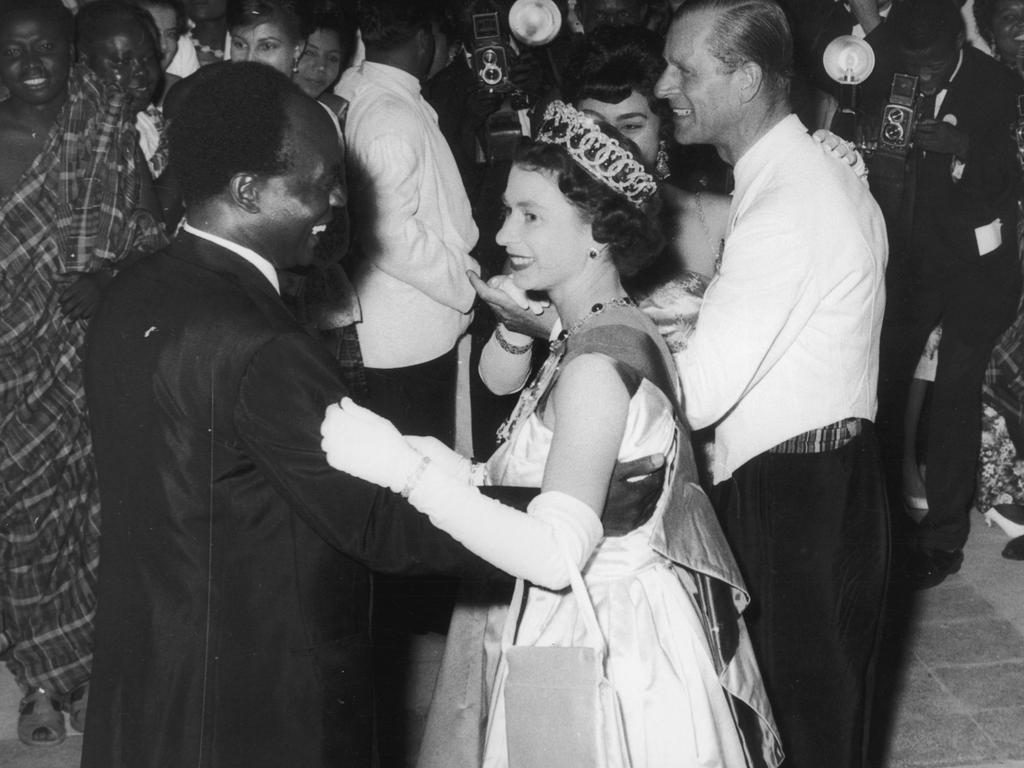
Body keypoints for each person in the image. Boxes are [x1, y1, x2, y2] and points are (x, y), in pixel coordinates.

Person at [80, 62, 527, 768]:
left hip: (155, 654)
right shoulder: (267, 346)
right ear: (248, 192)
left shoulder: (131, 291)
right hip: (261, 684)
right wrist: (552, 512)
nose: (339, 200)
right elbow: (381, 526)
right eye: (320, 185)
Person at [321, 100, 782, 768]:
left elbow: (551, 552)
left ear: (598, 230)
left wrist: (410, 475)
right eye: (508, 209)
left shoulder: (596, 365)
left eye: (531, 216)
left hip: (605, 635)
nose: (503, 232)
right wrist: (430, 457)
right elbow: (530, 471)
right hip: (614, 609)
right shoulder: (601, 325)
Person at [654, 1, 890, 766]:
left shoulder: (787, 203)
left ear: (748, 78)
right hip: (828, 482)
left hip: (794, 499)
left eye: (685, 70)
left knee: (801, 730)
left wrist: (588, 333)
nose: (665, 85)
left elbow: (698, 392)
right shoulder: (811, 166)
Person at [0, 0, 164, 747]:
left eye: (45, 49)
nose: (30, 63)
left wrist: (105, 281)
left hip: (94, 359)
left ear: (72, 55)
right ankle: (38, 683)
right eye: (12, 50)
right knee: (27, 520)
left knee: (98, 514)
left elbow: (150, 240)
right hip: (12, 368)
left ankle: (90, 667)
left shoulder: (104, 134)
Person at [876, 0, 1024, 588]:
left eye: (937, 65)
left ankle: (943, 540)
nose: (927, 77)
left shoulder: (997, 85)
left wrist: (961, 150)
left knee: (957, 392)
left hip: (981, 266)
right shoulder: (876, 66)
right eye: (915, 65)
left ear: (959, 46)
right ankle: (885, 525)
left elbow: (1013, 180)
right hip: (909, 260)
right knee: (884, 386)